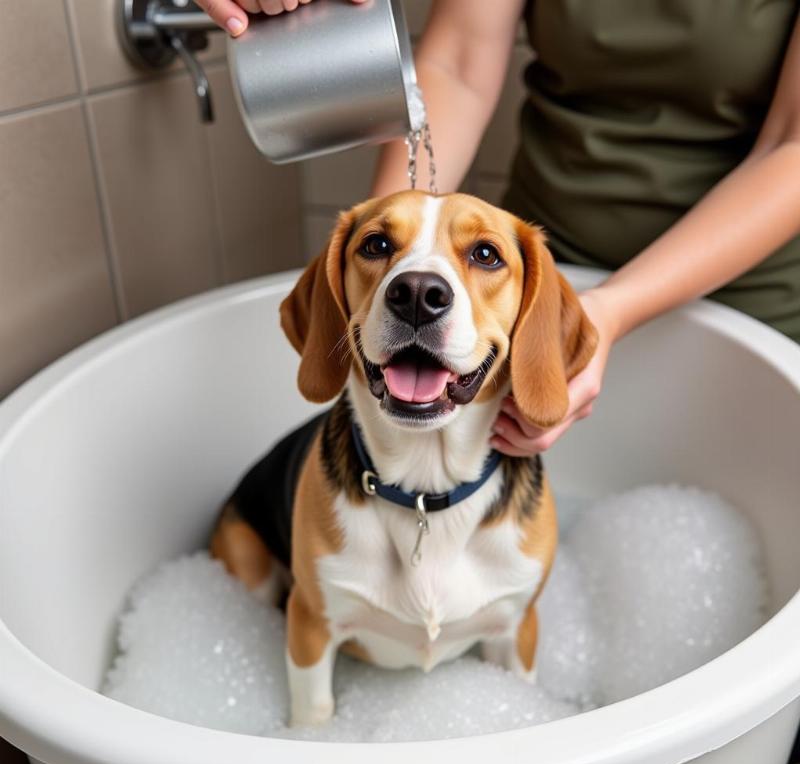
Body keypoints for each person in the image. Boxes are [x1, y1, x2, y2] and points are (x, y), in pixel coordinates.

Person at [198, 0, 800, 462]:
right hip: (530, 261)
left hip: (737, 288)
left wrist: (606, 313)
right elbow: (457, 65)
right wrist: (394, 249)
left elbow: (791, 147)